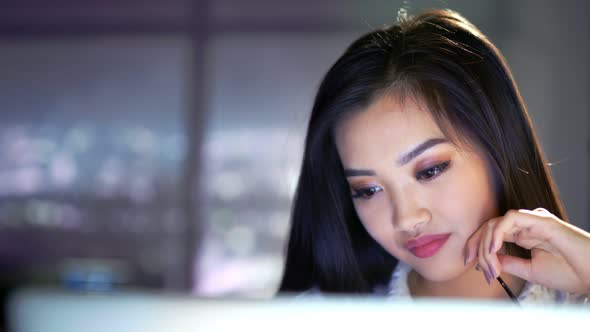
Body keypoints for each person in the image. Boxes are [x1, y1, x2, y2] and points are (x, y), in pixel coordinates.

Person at [278, 9, 590, 304]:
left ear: (498, 146)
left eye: (429, 171)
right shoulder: (317, 320)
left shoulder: (578, 305)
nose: (407, 219)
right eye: (368, 190)